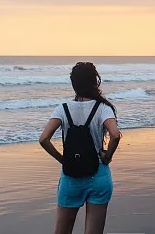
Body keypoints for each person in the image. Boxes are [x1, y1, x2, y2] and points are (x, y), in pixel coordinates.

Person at [40, 62, 122, 234]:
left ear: (73, 84)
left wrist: (62, 158)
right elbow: (115, 134)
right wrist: (107, 156)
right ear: (95, 82)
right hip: (99, 175)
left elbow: (44, 139)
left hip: (71, 177)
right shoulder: (103, 108)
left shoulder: (62, 109)